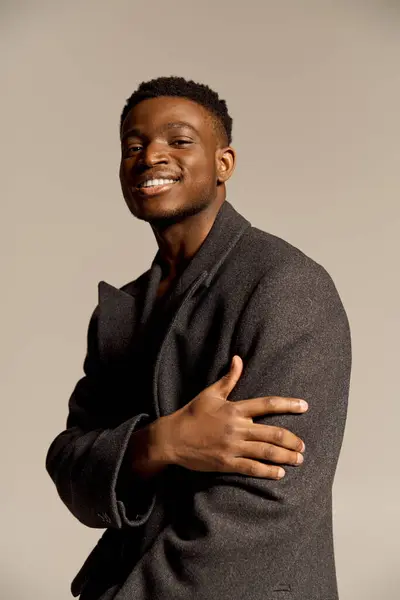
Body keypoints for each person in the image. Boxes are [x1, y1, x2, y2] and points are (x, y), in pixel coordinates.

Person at [45, 76, 352, 600]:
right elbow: (72, 465)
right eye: (134, 146)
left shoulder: (286, 286)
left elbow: (264, 508)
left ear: (224, 164)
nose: (151, 156)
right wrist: (162, 442)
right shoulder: (121, 311)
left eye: (179, 140)